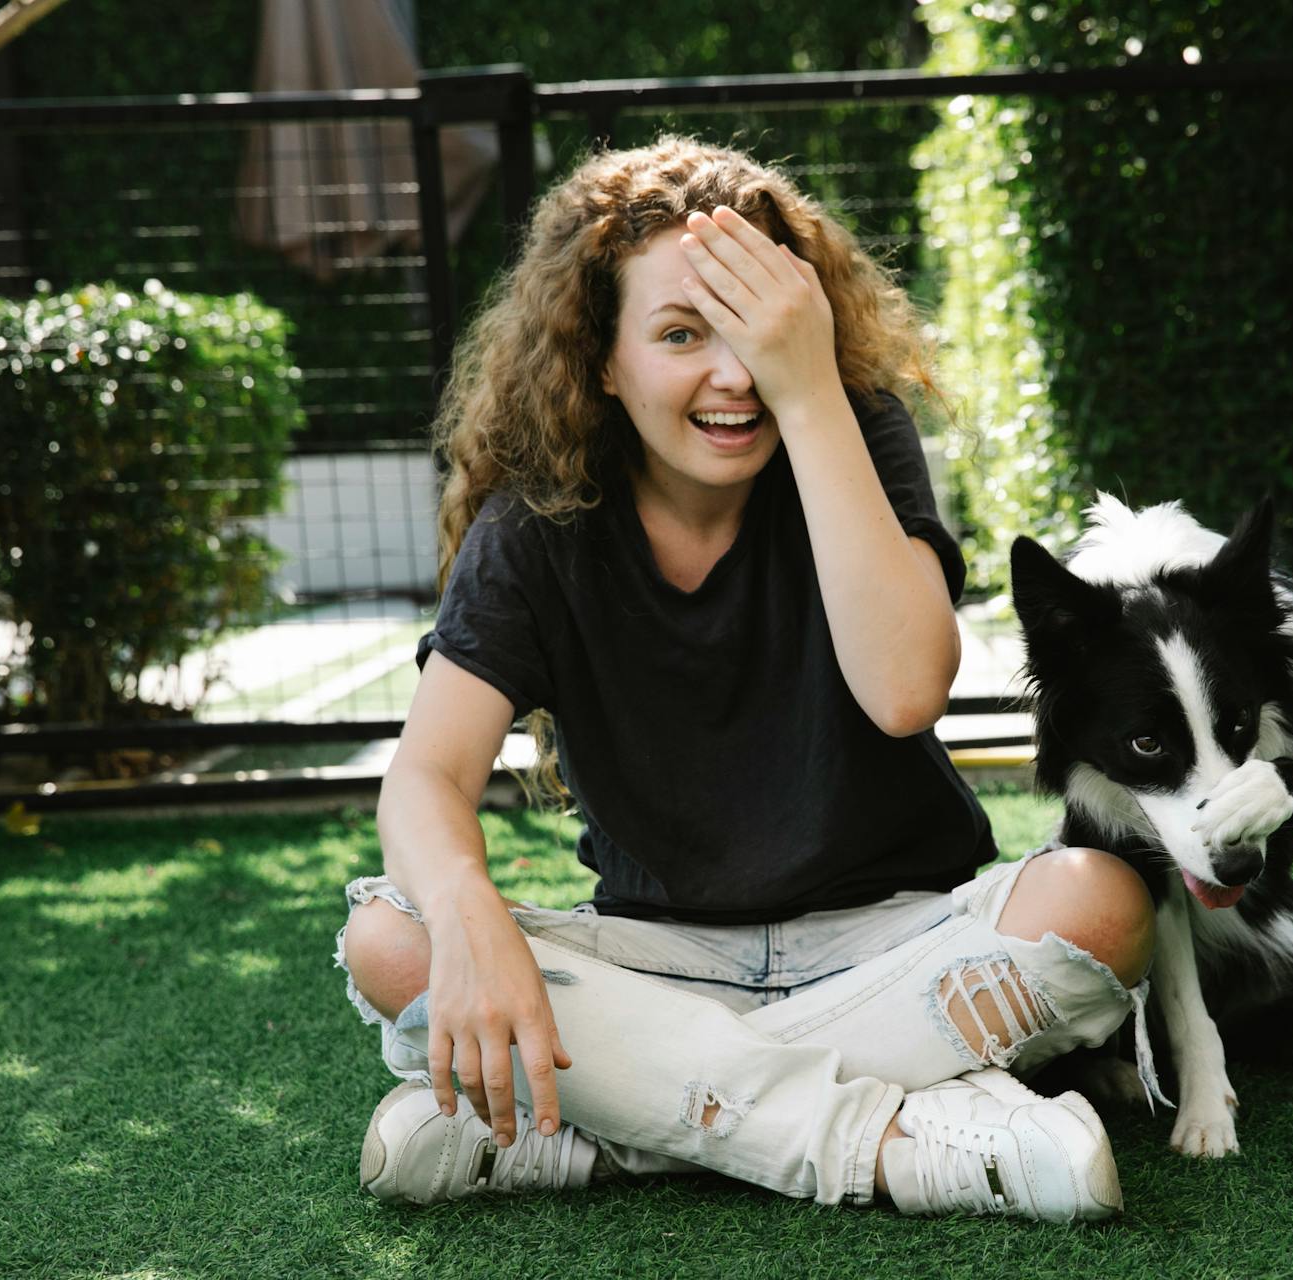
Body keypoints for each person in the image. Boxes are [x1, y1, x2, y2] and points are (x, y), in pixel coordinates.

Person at [334, 137, 1157, 1222]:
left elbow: (906, 688)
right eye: (681, 334)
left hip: (893, 933)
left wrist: (810, 386)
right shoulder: (536, 526)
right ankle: (891, 1142)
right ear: (602, 362)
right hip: (661, 953)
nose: (733, 376)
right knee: (394, 936)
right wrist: (468, 907)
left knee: (1101, 899)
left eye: (759, 333)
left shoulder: (848, 430)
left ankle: (603, 1127)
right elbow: (428, 775)